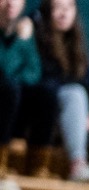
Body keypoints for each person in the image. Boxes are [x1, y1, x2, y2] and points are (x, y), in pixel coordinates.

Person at [35, 0, 89, 178]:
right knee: (74, 93)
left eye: (69, 7)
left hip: (77, 120)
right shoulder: (36, 39)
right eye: (58, 8)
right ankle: (78, 167)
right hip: (47, 119)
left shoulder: (77, 46)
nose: (64, 13)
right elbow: (49, 82)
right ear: (47, 11)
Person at [0, 0, 55, 168]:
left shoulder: (25, 32)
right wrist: (20, 42)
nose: (10, 3)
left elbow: (34, 73)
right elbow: (4, 70)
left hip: (15, 110)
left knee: (47, 91)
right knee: (9, 88)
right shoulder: (21, 36)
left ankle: (38, 165)